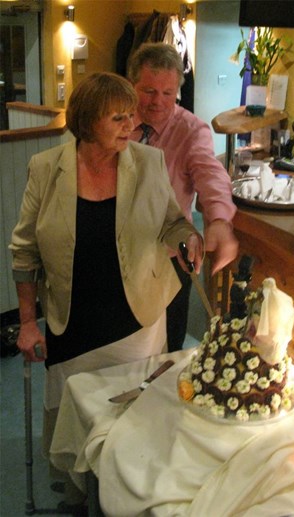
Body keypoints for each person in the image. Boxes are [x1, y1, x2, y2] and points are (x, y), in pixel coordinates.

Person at [9, 72, 203, 514]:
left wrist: (188, 238)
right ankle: (81, 491)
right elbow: (24, 250)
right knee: (75, 413)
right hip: (71, 318)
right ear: (88, 121)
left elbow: (173, 222)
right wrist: (25, 321)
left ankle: (123, 497)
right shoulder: (46, 168)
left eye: (130, 114)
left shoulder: (149, 162)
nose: (130, 123)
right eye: (118, 116)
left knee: (130, 413)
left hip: (135, 316)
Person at [127, 42, 238, 352]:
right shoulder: (117, 122)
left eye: (168, 93)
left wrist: (218, 219)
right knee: (125, 348)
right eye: (149, 91)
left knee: (169, 347)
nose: (158, 102)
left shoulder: (191, 130)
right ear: (132, 84)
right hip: (122, 252)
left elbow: (210, 172)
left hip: (170, 255)